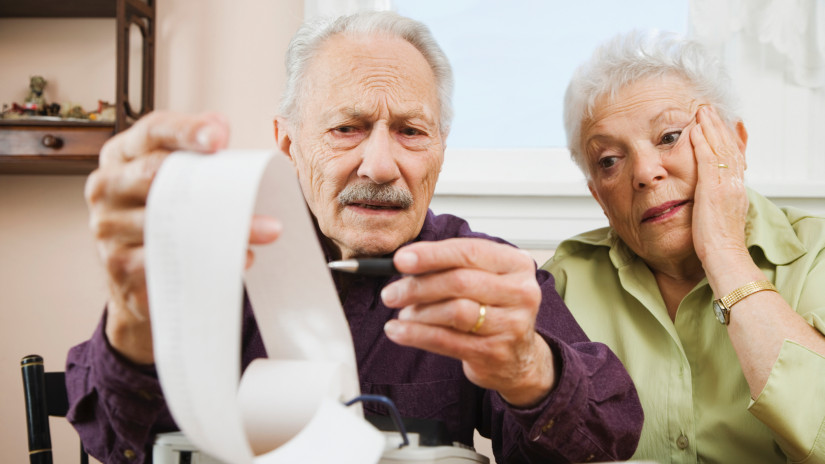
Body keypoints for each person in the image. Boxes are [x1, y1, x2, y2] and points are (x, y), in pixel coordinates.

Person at [66, 11, 643, 464]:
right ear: (288, 141)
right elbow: (118, 442)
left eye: (412, 131)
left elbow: (605, 436)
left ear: (440, 149)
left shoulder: (482, 275)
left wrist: (527, 368)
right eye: (347, 128)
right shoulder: (217, 255)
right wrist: (135, 314)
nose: (380, 165)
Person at [543, 30, 825, 463]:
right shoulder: (564, 283)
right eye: (609, 161)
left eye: (669, 136)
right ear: (599, 195)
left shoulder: (816, 255)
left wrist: (725, 253)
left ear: (736, 144)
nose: (645, 173)